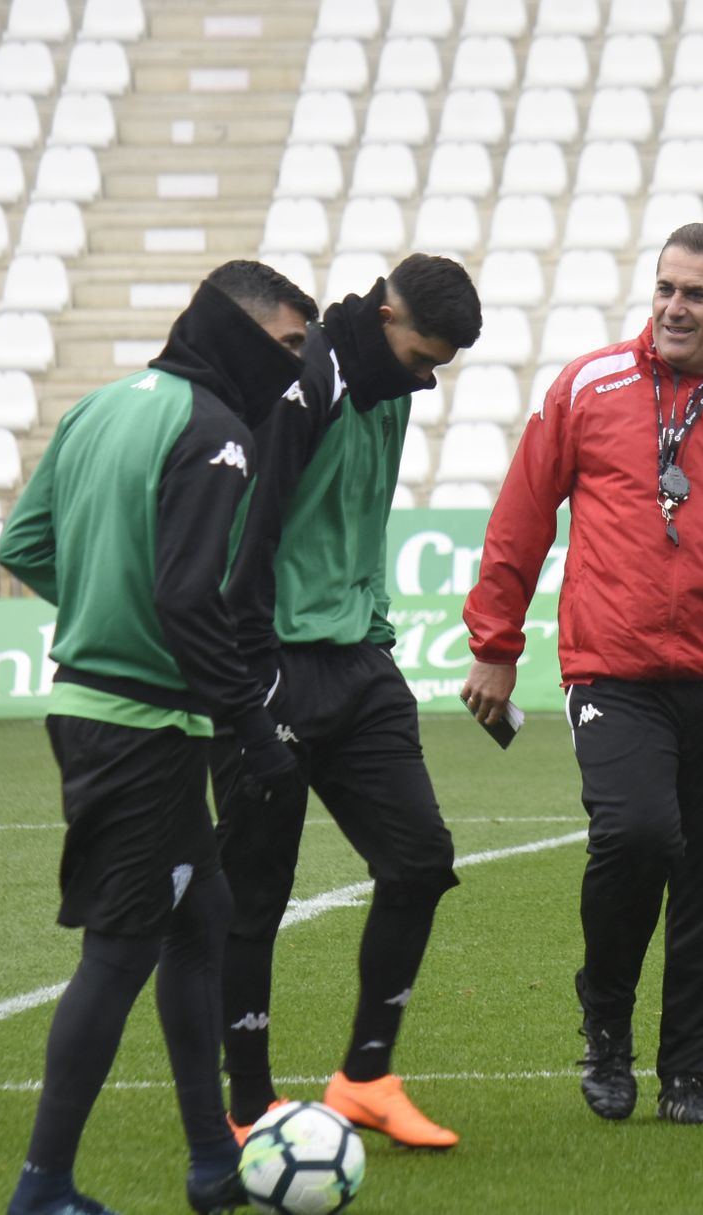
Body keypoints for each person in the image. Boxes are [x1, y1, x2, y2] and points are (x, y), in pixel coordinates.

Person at [461, 223, 703, 1125]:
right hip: (616, 671)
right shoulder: (589, 385)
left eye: (697, 293)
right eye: (665, 287)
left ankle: (687, 1073)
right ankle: (606, 1028)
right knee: (636, 836)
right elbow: (522, 515)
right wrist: (495, 641)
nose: (674, 306)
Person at [0, 261, 315, 1215]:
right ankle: (42, 1186)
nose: (296, 370)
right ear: (244, 333)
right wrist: (254, 728)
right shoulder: (216, 434)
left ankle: (212, 1159)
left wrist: (103, 610)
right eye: (290, 347)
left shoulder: (100, 407)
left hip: (105, 712)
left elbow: (24, 545)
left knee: (200, 917)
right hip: (142, 727)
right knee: (120, 950)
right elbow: (186, 597)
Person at [210, 254, 483, 1151]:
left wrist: (372, 633)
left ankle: (365, 1076)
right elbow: (250, 536)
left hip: (359, 665)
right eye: (422, 356)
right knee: (258, 894)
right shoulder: (306, 377)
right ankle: (248, 1101)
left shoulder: (388, 390)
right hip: (273, 664)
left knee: (420, 860)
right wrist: (253, 679)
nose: (428, 377)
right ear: (387, 311)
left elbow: (359, 522)